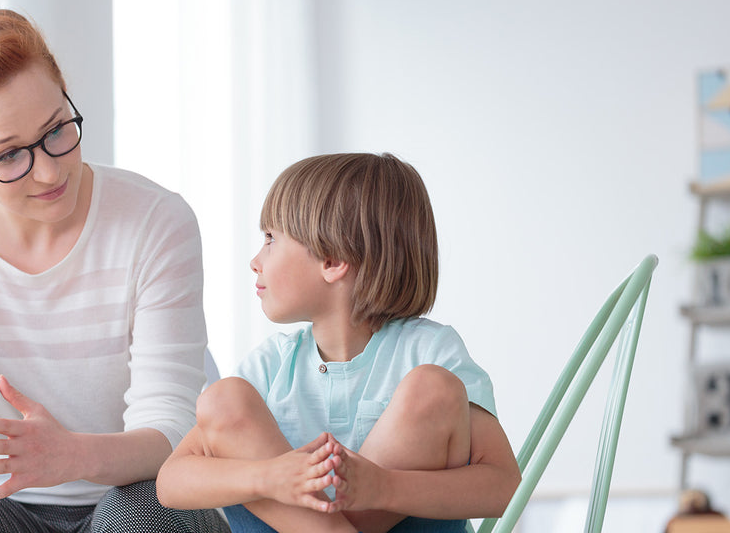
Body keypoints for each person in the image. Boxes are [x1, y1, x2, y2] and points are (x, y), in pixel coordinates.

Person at [0, 0, 228, 533]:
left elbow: (172, 433)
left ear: (65, 93)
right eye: (9, 155)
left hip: (134, 493)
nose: (51, 171)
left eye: (58, 129)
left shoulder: (156, 219)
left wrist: (70, 456)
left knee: (144, 516)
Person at [156, 152, 522, 533]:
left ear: (331, 260)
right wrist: (268, 476)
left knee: (434, 386)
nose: (255, 260)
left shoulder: (430, 352)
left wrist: (384, 487)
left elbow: (502, 485)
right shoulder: (271, 366)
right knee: (223, 397)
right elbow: (170, 482)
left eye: (270, 239)